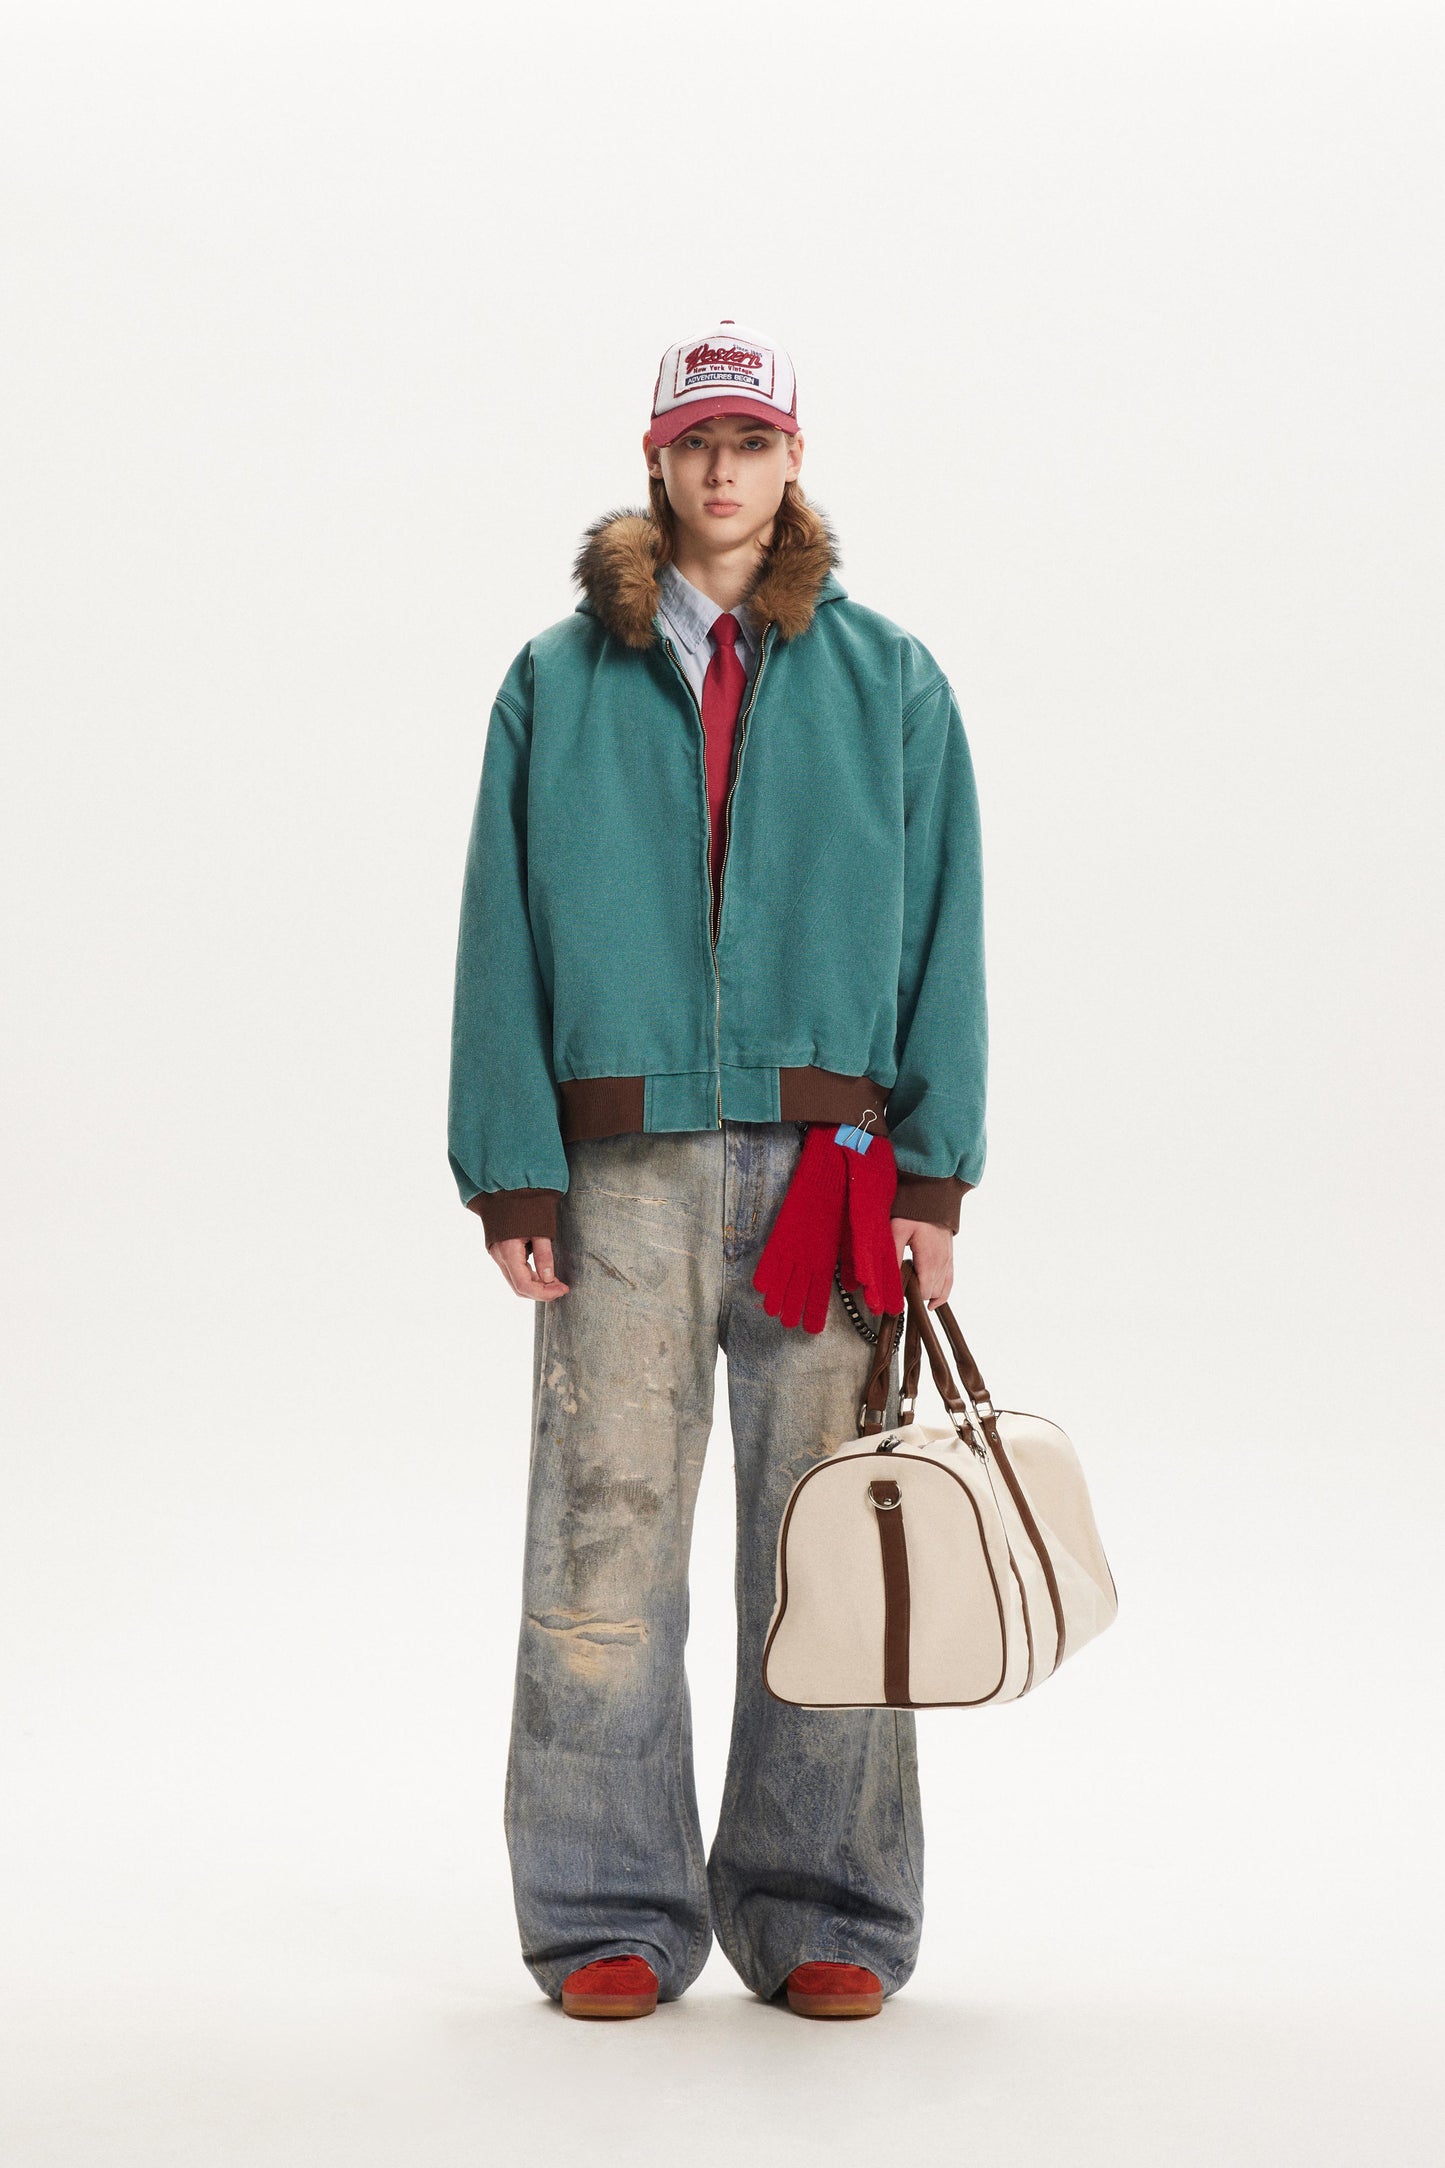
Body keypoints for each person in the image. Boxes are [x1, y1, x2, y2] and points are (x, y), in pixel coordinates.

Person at [447, 320, 988, 2021]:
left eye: (751, 440)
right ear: (656, 458)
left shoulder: (888, 679)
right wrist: (512, 1172)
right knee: (600, 1549)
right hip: (618, 1176)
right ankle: (605, 1910)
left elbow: (949, 930)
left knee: (829, 1544)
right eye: (697, 442)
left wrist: (932, 1179)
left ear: (792, 459)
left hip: (833, 1170)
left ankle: (823, 1907)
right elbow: (495, 931)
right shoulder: (554, 680)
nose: (723, 469)